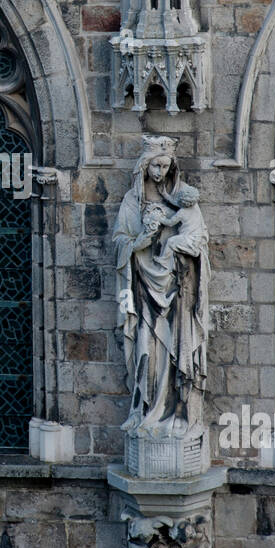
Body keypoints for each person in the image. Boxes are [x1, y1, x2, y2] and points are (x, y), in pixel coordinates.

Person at [112, 135, 209, 438]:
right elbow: (119, 242)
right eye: (155, 165)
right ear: (145, 165)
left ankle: (179, 414)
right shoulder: (133, 201)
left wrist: (180, 247)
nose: (160, 172)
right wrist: (142, 239)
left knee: (177, 352)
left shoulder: (182, 200)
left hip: (178, 292)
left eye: (165, 166)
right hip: (144, 292)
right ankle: (143, 412)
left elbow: (200, 239)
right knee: (145, 353)